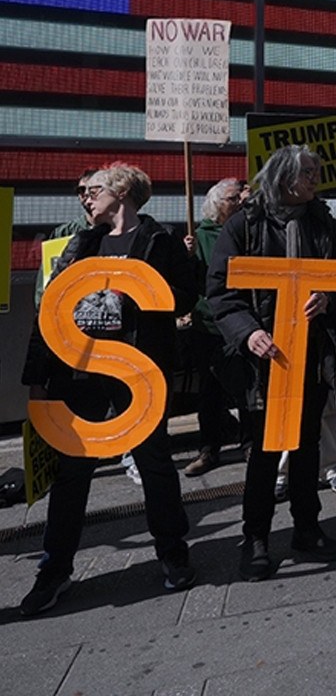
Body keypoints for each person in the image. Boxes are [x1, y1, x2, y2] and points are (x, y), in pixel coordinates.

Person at [20, 162, 197, 616]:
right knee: (72, 471)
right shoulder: (81, 244)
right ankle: (54, 569)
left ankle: (173, 552)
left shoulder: (160, 240)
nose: (84, 197)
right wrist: (37, 377)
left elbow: (187, 293)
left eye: (92, 189)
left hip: (137, 372)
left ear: (121, 191)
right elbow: (52, 310)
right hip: (81, 372)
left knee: (154, 462)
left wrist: (158, 288)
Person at [207, 144, 336, 581]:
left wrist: (328, 298)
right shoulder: (245, 224)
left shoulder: (322, 220)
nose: (316, 179)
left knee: (308, 444)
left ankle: (307, 529)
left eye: (317, 172)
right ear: (284, 177)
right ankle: (255, 538)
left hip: (310, 356)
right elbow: (220, 292)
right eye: (308, 172)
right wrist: (247, 332)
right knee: (264, 450)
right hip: (263, 361)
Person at [273, 183, 336, 498]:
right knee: (282, 403)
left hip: (319, 330)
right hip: (279, 328)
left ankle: (332, 468)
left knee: (326, 404)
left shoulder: (323, 222)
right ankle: (282, 473)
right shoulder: (261, 223)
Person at [182, 179, 250, 477]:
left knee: (248, 388)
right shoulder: (200, 237)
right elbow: (188, 282)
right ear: (217, 204)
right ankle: (209, 449)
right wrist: (186, 256)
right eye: (233, 199)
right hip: (208, 324)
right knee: (209, 392)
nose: (239, 203)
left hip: (241, 320)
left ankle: (250, 444)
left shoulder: (246, 230)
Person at [34, 169, 97, 310]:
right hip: (67, 308)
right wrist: (43, 308)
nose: (86, 194)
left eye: (93, 189)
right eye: (81, 190)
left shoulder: (119, 230)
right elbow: (46, 277)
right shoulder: (64, 232)